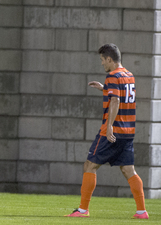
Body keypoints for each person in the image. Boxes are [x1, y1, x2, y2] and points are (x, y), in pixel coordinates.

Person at [64, 43, 148, 219]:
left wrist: (109, 125)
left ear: (110, 59)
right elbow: (122, 95)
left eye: (103, 60)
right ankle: (141, 211)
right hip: (128, 132)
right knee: (128, 170)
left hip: (111, 132)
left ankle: (83, 210)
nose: (102, 63)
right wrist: (104, 88)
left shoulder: (113, 76)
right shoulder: (128, 75)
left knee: (89, 165)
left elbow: (116, 101)